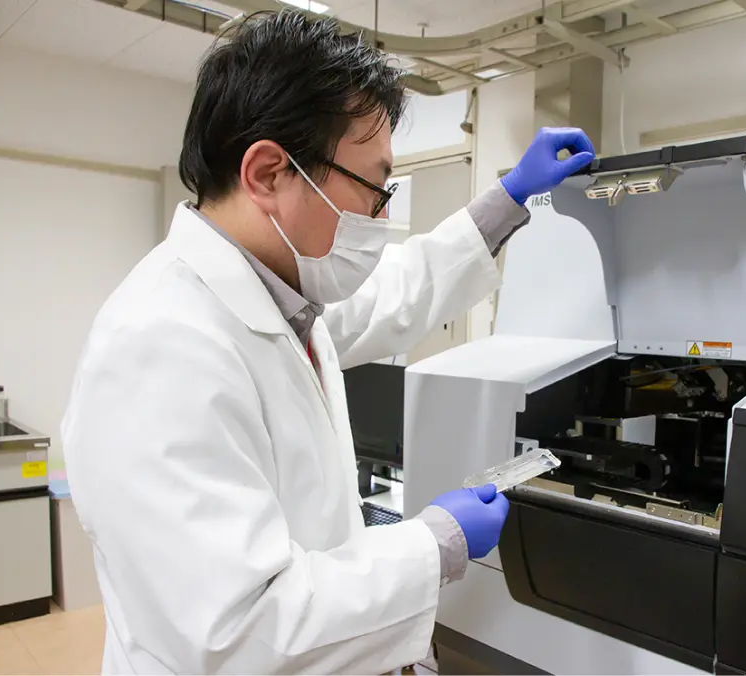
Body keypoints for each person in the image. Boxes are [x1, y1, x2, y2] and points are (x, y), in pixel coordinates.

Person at [61, 10, 595, 675]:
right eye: (374, 188)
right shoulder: (159, 348)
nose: (382, 216)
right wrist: (433, 545)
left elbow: (399, 291)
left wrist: (509, 197)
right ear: (268, 174)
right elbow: (241, 632)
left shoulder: (282, 299)